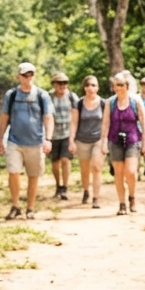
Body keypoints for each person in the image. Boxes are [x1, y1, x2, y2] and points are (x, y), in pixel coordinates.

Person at [0, 62, 54, 221]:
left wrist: (48, 139)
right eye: (25, 75)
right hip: (14, 141)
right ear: (18, 77)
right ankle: (15, 206)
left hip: (36, 142)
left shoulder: (42, 95)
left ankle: (30, 208)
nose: (28, 77)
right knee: (13, 172)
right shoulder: (11, 95)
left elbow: (48, 118)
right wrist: (0, 139)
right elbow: (4, 117)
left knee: (33, 176)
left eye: (31, 74)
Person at [103, 71, 145, 215]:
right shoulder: (110, 102)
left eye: (120, 85)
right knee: (118, 173)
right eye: (115, 85)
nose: (117, 88)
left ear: (127, 86)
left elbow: (144, 122)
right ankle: (122, 204)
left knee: (130, 172)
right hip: (115, 140)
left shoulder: (136, 101)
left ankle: (132, 197)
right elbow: (105, 123)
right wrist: (103, 142)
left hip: (133, 139)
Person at [69, 75, 106, 209]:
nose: (90, 88)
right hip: (82, 140)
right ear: (84, 87)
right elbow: (74, 123)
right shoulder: (78, 103)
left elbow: (106, 123)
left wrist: (105, 140)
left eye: (93, 85)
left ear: (98, 87)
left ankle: (96, 198)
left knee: (96, 167)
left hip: (98, 139)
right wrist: (71, 140)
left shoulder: (103, 103)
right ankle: (86, 191)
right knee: (84, 169)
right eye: (88, 85)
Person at [47, 71, 79, 200]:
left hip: (67, 133)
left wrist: (73, 137)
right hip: (53, 134)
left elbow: (76, 116)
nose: (62, 85)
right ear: (54, 84)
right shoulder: (49, 97)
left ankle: (65, 187)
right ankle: (58, 185)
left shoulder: (72, 97)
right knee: (55, 161)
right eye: (60, 83)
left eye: (65, 83)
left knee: (65, 160)